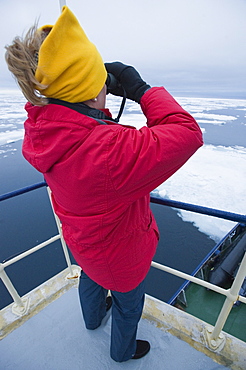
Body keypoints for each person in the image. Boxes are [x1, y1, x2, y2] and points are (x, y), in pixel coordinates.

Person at [5, 6, 203, 362]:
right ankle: (121, 353)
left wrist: (90, 99)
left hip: (84, 246)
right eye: (100, 86)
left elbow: (82, 129)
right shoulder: (110, 151)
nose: (107, 93)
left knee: (90, 279)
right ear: (89, 93)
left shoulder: (45, 131)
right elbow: (187, 133)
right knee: (128, 307)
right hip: (122, 259)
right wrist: (141, 89)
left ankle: (93, 321)